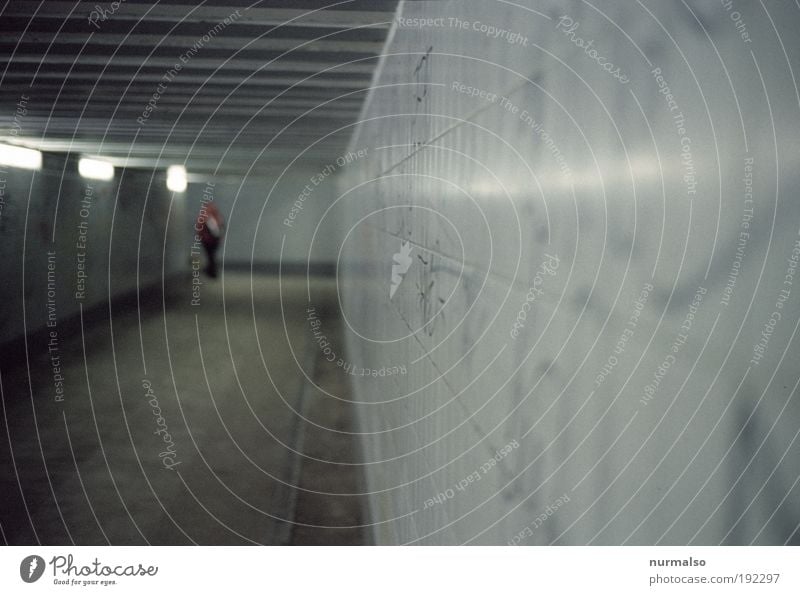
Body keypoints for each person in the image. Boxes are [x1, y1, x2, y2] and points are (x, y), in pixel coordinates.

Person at [196, 201, 224, 278]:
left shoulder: (204, 216)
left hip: (207, 240)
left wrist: (200, 236)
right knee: (212, 256)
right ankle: (212, 272)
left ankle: (211, 272)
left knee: (210, 256)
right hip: (214, 240)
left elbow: (199, 228)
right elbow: (221, 227)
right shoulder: (216, 216)